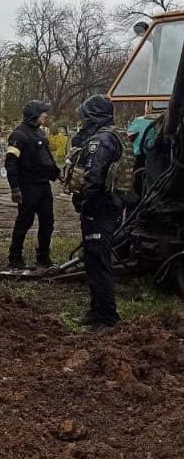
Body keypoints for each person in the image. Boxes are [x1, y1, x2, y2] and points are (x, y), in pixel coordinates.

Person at [69, 95, 124, 330]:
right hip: (108, 206)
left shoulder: (101, 140)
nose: (82, 121)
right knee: (92, 260)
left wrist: (84, 202)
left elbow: (94, 176)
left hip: (99, 208)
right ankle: (96, 310)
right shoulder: (114, 134)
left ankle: (107, 318)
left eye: (85, 116)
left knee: (99, 263)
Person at [6, 100, 61, 269]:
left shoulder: (40, 134)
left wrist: (56, 174)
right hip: (27, 186)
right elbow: (11, 163)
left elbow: (46, 158)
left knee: (48, 222)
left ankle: (43, 256)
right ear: (34, 114)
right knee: (24, 221)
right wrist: (15, 188)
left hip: (43, 185)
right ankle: (15, 257)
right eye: (43, 113)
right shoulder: (18, 135)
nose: (45, 115)